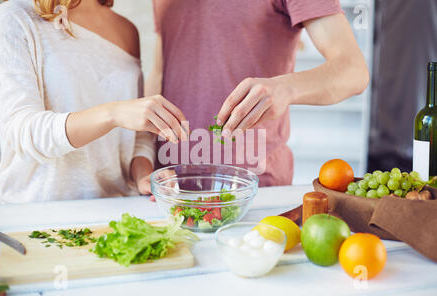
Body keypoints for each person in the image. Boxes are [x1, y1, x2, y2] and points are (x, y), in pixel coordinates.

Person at [147, 0, 370, 186]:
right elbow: (159, 73)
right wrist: (142, 159)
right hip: (168, 187)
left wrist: (285, 88)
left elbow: (354, 71)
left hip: (254, 189)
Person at [0, 0, 186, 203]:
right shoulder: (15, 16)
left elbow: (136, 137)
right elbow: (23, 132)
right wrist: (112, 114)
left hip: (116, 211)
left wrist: (143, 176)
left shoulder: (127, 30)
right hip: (39, 215)